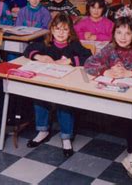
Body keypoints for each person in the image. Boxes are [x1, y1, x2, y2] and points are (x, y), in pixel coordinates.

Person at [84, 17, 132, 180]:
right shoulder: (110, 48)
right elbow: (88, 65)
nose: (123, 37)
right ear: (114, 33)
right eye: (119, 32)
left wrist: (130, 73)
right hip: (116, 94)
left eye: (127, 33)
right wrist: (105, 71)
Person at [24, 13, 91, 157]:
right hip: (48, 81)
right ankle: (43, 131)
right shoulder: (46, 43)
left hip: (66, 84)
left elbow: (89, 56)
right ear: (52, 30)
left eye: (65, 29)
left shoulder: (73, 44)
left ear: (70, 32)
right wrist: (39, 56)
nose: (61, 33)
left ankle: (66, 137)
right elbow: (28, 50)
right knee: (39, 98)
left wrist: (70, 61)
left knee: (64, 104)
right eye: (57, 29)